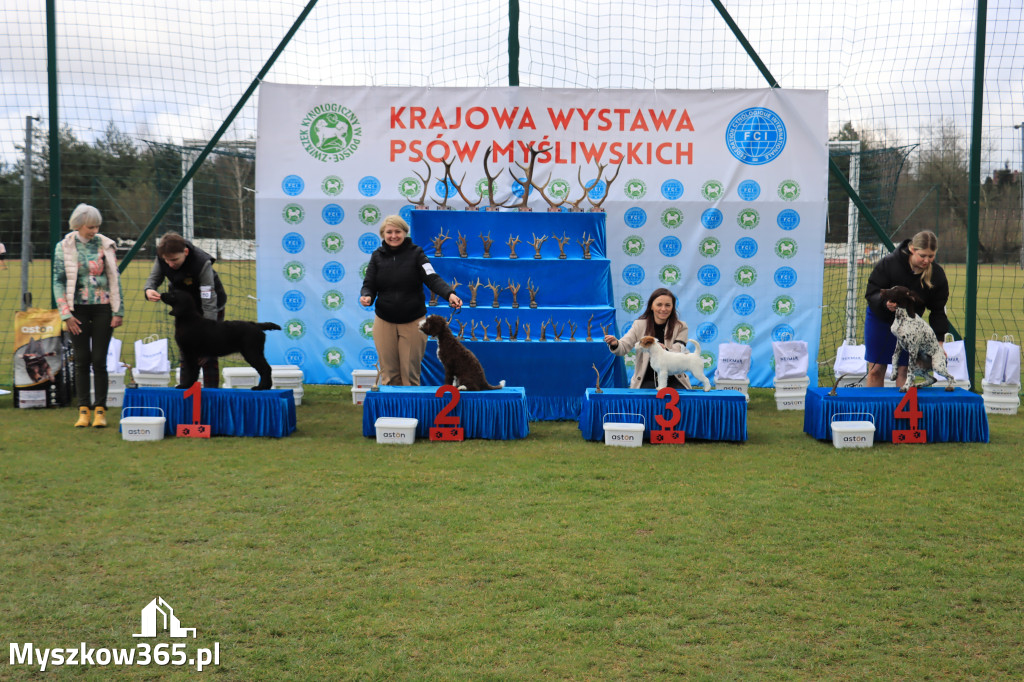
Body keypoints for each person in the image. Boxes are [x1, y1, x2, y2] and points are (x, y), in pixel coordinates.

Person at [359, 214, 462, 386]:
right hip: (384, 320)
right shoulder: (376, 256)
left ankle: (412, 412)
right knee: (389, 374)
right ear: (383, 234)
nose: (393, 236)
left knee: (410, 374)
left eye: (398, 231)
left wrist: (449, 294)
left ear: (405, 233)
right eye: (389, 232)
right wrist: (367, 295)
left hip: (414, 321)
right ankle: (391, 412)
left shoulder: (417, 254)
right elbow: (369, 283)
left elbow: (432, 278)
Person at [52, 203, 124, 427]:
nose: (94, 230)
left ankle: (100, 411)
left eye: (97, 226)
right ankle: (83, 411)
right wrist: (66, 315)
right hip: (77, 310)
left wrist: (117, 310)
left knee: (99, 360)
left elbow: (115, 278)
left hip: (103, 308)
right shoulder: (63, 247)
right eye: (91, 226)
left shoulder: (106, 244)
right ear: (79, 225)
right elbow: (58, 281)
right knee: (82, 360)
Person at [863, 230, 949, 387]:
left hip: (910, 325)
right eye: (922, 256)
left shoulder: (937, 275)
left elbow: (938, 310)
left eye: (931, 256)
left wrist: (939, 342)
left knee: (904, 371)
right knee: (876, 369)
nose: (926, 260)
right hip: (880, 320)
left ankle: (901, 410)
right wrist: (885, 304)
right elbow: (872, 292)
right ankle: (875, 411)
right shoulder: (889, 263)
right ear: (912, 249)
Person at [144, 232, 227, 387]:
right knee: (186, 351)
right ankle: (185, 394)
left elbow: (208, 301)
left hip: (211, 307)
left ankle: (211, 395)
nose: (170, 264)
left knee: (208, 354)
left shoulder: (202, 263)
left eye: (174, 260)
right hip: (185, 309)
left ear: (186, 252)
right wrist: (149, 289)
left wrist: (208, 336)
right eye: (166, 260)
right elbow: (154, 278)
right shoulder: (164, 256)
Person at [604, 287, 692, 389]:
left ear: (673, 307)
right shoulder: (639, 325)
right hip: (646, 380)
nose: (663, 309)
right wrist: (615, 344)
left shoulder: (681, 326)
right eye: (659, 304)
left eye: (668, 305)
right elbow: (623, 347)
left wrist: (665, 350)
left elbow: (679, 350)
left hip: (675, 380)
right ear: (651, 306)